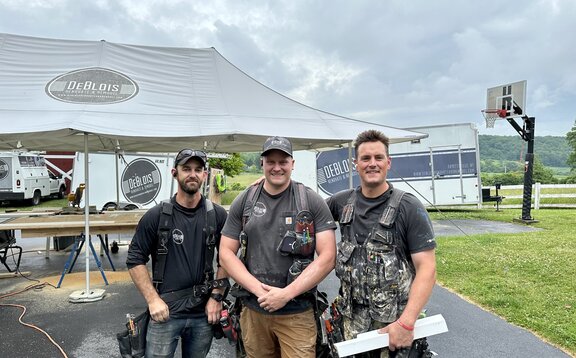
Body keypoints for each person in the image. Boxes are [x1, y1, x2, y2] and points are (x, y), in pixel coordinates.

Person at [219, 136, 337, 358]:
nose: (277, 167)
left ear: (292, 164)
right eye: (270, 161)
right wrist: (257, 289)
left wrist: (286, 294)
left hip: (297, 313)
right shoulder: (245, 200)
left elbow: (328, 256)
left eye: (283, 161)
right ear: (261, 164)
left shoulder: (310, 200)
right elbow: (225, 252)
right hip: (253, 311)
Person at [326, 130, 437, 358]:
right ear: (355, 164)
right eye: (365, 159)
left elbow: (427, 269)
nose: (372, 164)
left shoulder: (409, 207)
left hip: (393, 331)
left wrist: (406, 324)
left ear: (388, 162)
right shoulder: (341, 203)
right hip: (351, 330)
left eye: (378, 158)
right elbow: (305, 211)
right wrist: (272, 182)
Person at [126, 149, 229, 358]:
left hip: (203, 313)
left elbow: (228, 257)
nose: (193, 174)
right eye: (186, 169)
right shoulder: (156, 216)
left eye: (198, 169)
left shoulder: (217, 215)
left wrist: (216, 298)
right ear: (175, 173)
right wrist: (152, 300)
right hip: (165, 313)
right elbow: (135, 258)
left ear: (205, 175)